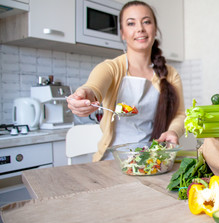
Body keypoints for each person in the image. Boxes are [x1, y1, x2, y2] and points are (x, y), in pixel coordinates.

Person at [67, 0, 186, 162]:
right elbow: (93, 88)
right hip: (111, 161)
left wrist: (173, 132)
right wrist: (84, 95)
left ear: (155, 29)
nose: (140, 29)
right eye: (131, 23)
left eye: (146, 22)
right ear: (122, 33)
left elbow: (179, 114)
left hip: (152, 160)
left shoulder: (171, 74)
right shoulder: (111, 68)